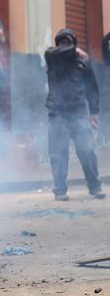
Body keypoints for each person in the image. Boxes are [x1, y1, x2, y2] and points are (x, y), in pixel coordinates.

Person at [44, 29, 105, 201]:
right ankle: (60, 190)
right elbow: (50, 51)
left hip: (78, 112)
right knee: (58, 153)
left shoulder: (82, 62)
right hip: (57, 113)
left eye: (68, 42)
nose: (64, 45)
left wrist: (94, 112)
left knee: (88, 151)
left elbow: (92, 88)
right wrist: (74, 50)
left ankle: (95, 187)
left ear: (74, 43)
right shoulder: (52, 57)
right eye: (61, 42)